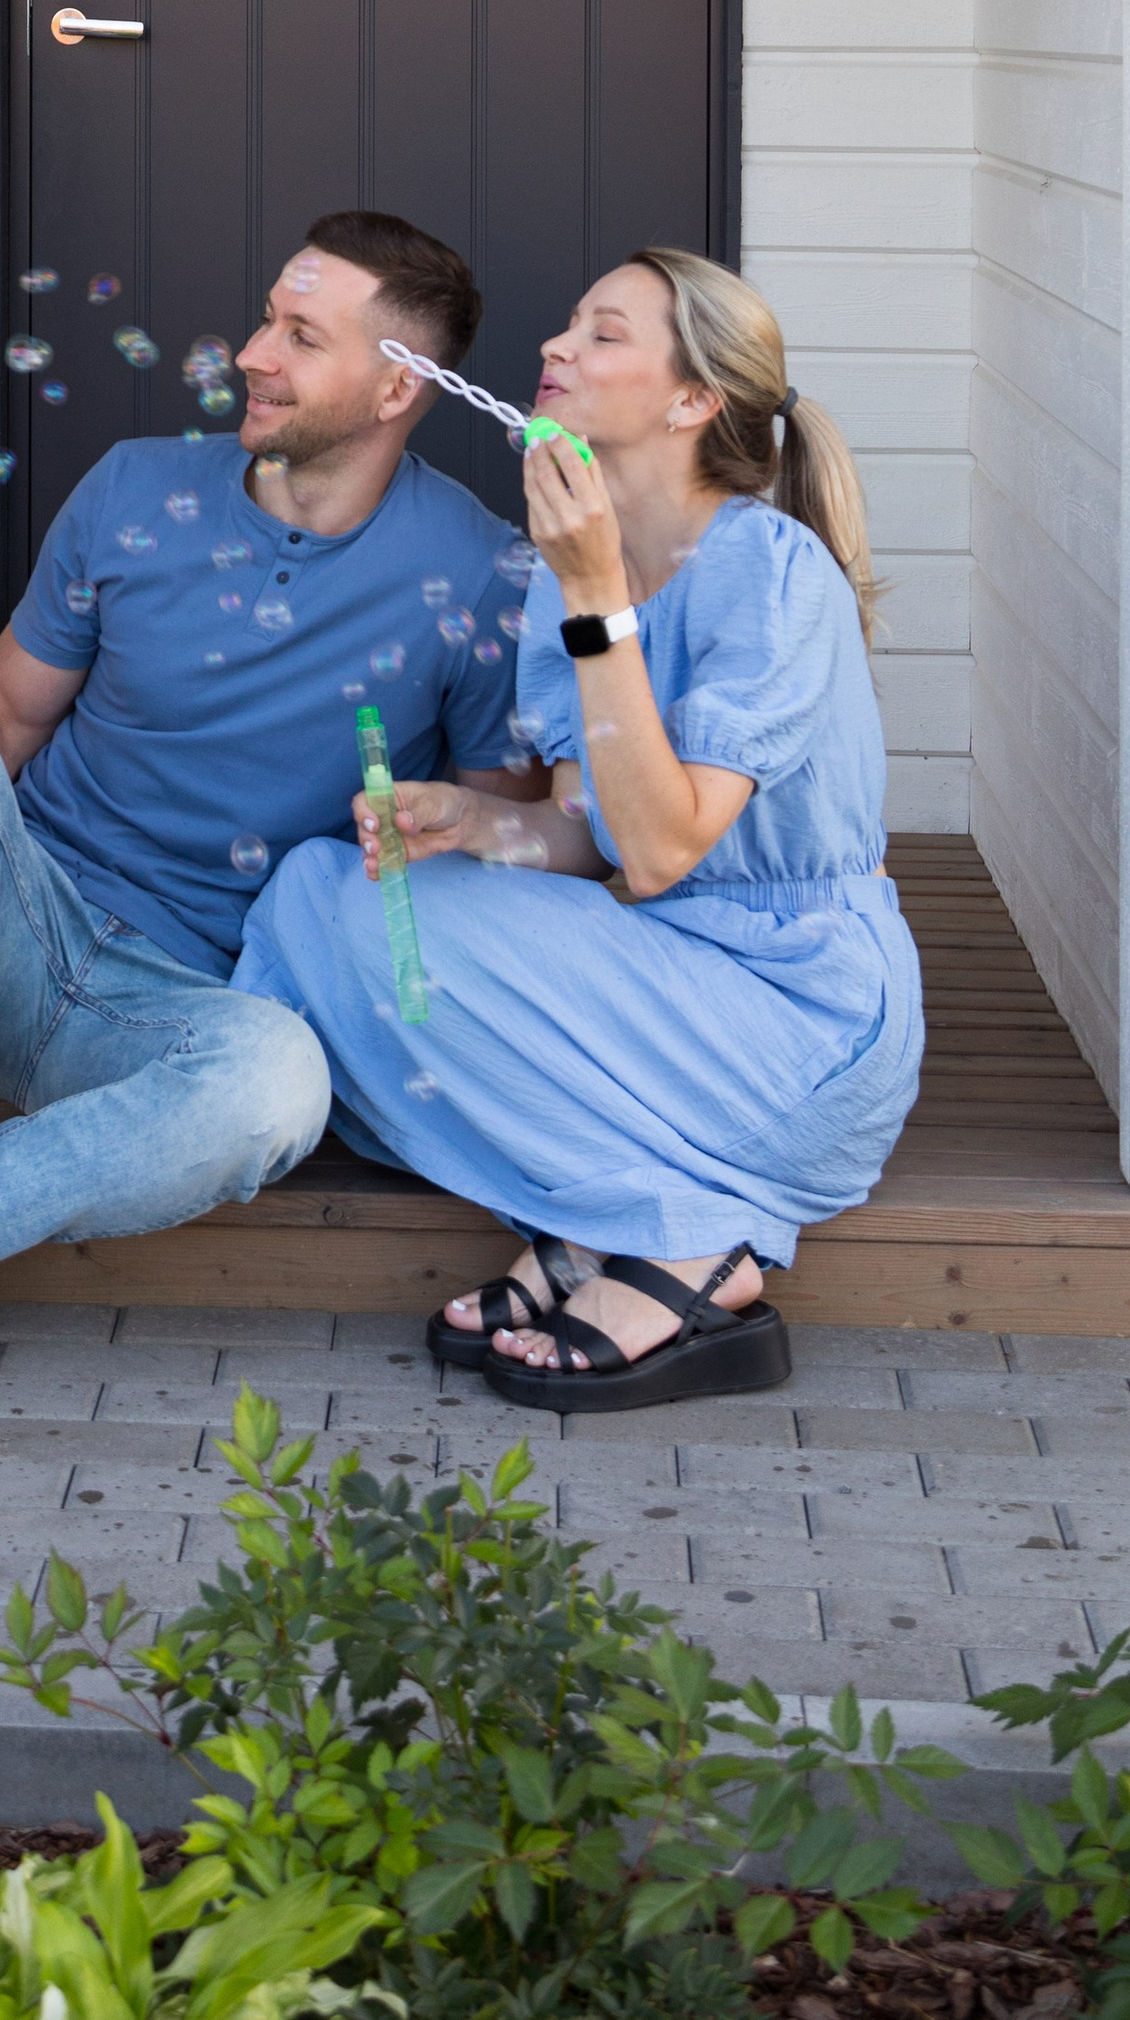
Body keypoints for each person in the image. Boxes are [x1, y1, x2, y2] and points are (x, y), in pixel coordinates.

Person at [0, 209, 522, 1433]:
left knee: (278, 1091)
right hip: (10, 935)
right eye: (264, 319)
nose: (252, 352)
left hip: (187, 1004)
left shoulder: (475, 568)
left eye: (299, 336)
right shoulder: (136, 489)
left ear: (398, 383)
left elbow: (494, 834)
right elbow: (0, 713)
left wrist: (443, 819)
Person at [237, 247, 923, 1418]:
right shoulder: (560, 577)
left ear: (692, 399)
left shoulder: (771, 573)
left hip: (798, 1026)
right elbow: (584, 839)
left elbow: (663, 852)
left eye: (601, 334)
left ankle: (688, 1238)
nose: (554, 348)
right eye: (566, 322)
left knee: (364, 934)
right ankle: (608, 1206)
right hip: (663, 974)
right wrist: (470, 822)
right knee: (319, 891)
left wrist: (601, 596)